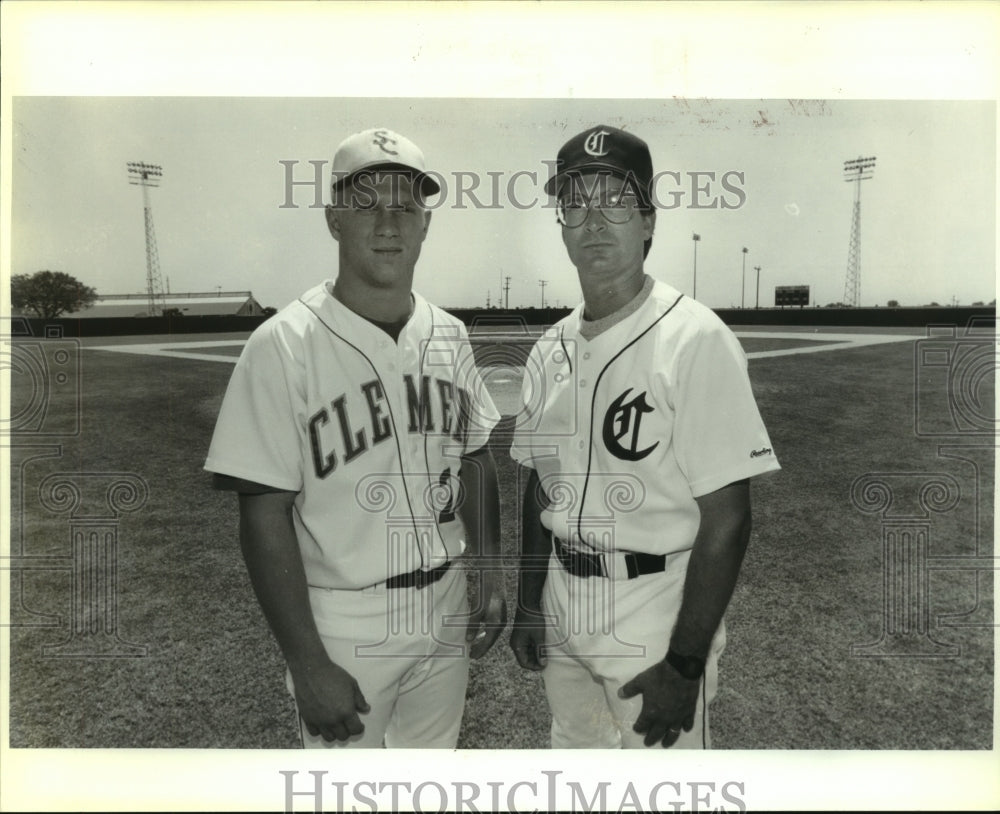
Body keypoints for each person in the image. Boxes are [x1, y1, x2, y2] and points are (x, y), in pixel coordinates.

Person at [205, 127, 506, 748]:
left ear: (426, 224)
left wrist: (492, 575)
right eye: (367, 203)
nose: (388, 223)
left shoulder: (449, 334)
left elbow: (475, 460)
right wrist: (306, 662)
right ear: (333, 219)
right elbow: (263, 515)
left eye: (406, 206)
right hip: (344, 617)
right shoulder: (282, 346)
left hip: (447, 603)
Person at [508, 124, 780, 749]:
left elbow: (728, 518)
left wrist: (685, 664)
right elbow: (537, 487)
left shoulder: (696, 339)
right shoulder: (548, 349)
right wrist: (529, 602)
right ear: (561, 224)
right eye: (575, 202)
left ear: (649, 221)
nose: (595, 220)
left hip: (656, 606)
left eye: (616, 200)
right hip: (563, 598)